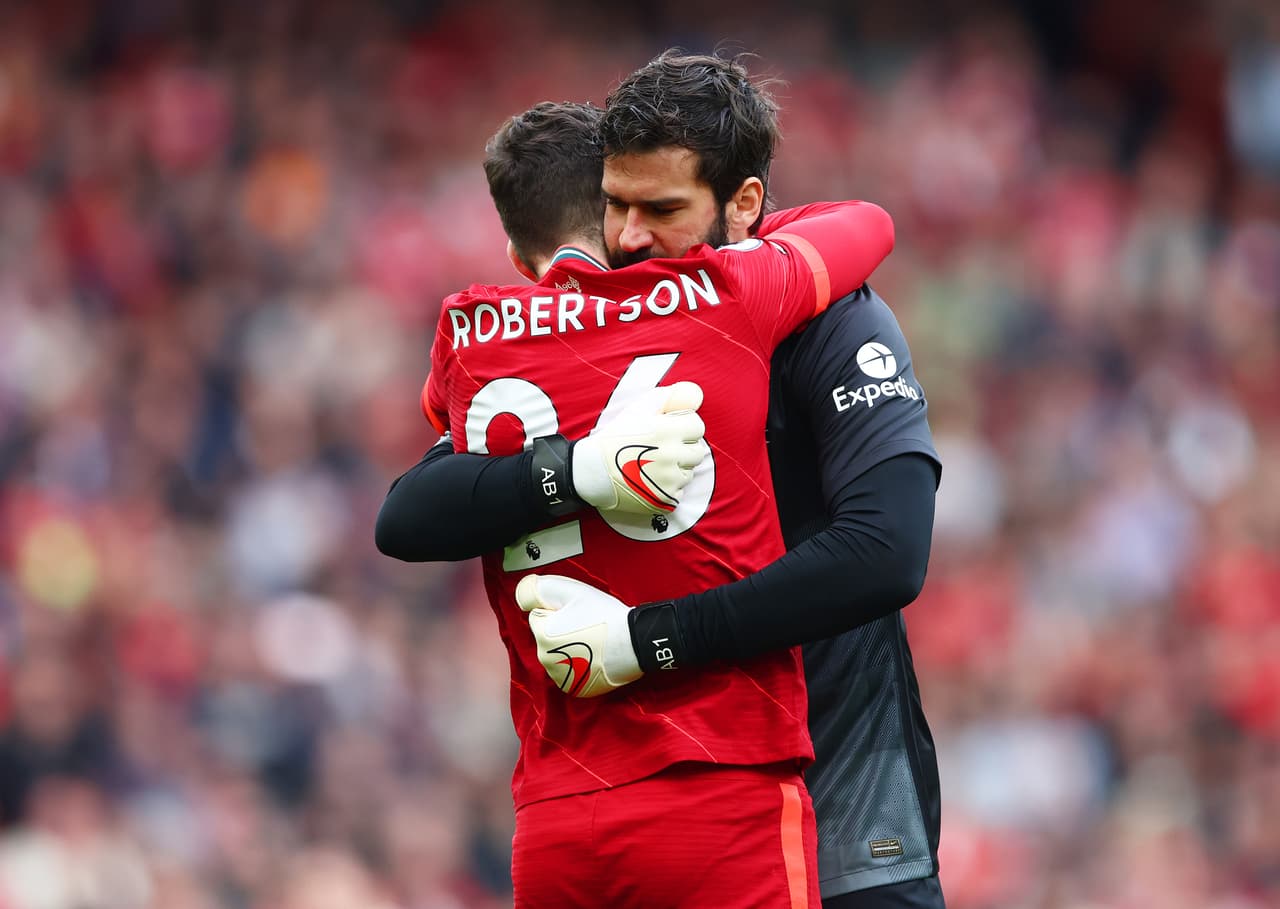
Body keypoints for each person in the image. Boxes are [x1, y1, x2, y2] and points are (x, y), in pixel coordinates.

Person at [379, 52, 944, 908]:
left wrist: (649, 637)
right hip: (668, 814)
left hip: (844, 810)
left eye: (664, 209)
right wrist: (576, 471)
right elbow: (415, 509)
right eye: (616, 205)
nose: (632, 235)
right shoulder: (597, 330)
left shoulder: (833, 317)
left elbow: (886, 552)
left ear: (745, 205)